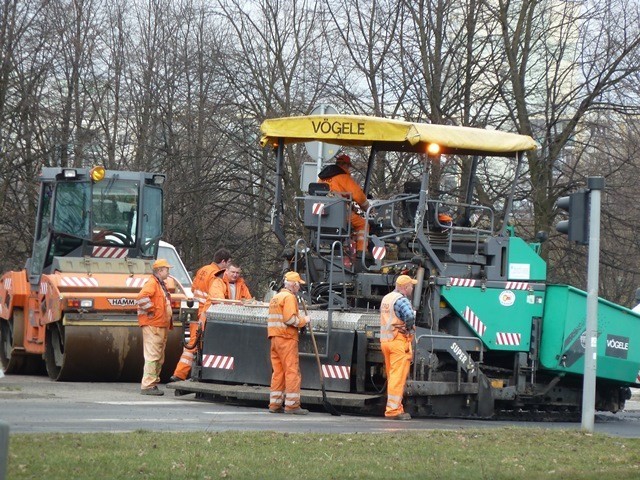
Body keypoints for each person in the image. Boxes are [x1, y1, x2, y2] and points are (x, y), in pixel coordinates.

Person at [170, 248, 232, 382]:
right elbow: (215, 296)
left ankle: (180, 373)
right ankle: (189, 374)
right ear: (223, 262)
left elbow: (193, 289)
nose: (228, 267)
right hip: (205, 313)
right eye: (228, 263)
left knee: (192, 343)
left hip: (195, 311)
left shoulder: (203, 270)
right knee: (199, 343)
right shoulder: (216, 275)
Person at [267, 271, 310, 415]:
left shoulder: (276, 297)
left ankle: (275, 404)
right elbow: (290, 320)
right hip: (286, 338)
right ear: (293, 284)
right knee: (292, 372)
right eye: (298, 284)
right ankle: (292, 406)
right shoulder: (290, 298)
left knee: (278, 372)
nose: (299, 288)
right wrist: (304, 320)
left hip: (274, 338)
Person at [379, 274, 418, 420]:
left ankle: (396, 407)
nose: (412, 288)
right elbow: (409, 316)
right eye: (411, 286)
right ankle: (393, 411)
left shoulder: (387, 298)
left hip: (386, 342)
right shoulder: (402, 300)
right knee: (398, 377)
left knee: (392, 375)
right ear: (405, 287)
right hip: (398, 342)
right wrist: (409, 329)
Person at [318, 152, 371, 255]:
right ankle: (362, 252)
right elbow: (359, 196)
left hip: (322, 215)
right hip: (339, 212)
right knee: (362, 224)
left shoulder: (322, 177)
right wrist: (368, 208)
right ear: (346, 165)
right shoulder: (343, 177)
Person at [136, 258, 174, 396]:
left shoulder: (160, 284)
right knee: (153, 355)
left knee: (158, 356)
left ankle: (152, 383)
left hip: (159, 325)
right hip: (154, 325)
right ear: (159, 271)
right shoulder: (152, 283)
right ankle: (148, 385)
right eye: (167, 270)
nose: (168, 272)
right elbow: (141, 298)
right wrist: (152, 311)